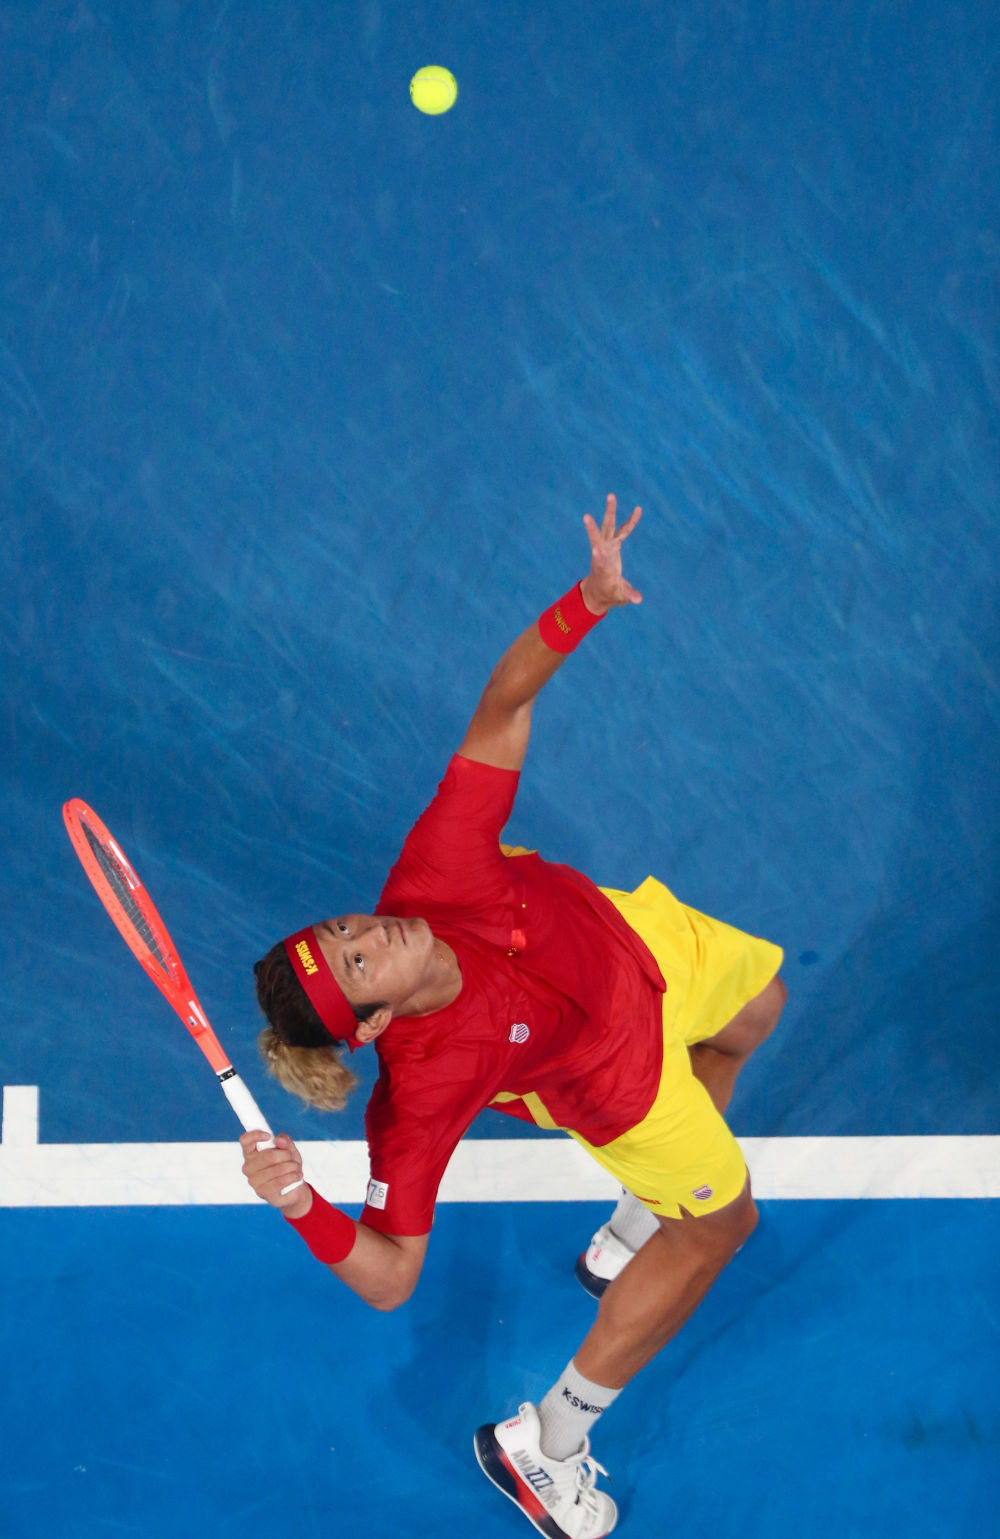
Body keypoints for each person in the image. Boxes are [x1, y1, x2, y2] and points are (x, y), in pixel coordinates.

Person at [240, 496, 786, 1539]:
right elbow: (390, 1277)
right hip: (616, 1081)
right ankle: (551, 1443)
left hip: (632, 940)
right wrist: (300, 1199)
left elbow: (501, 707)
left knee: (757, 1009)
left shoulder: (432, 871)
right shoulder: (423, 1088)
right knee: (722, 1226)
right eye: (358, 961)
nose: (370, 929)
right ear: (370, 1024)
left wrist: (587, 601)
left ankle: (639, 1222)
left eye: (344, 927)